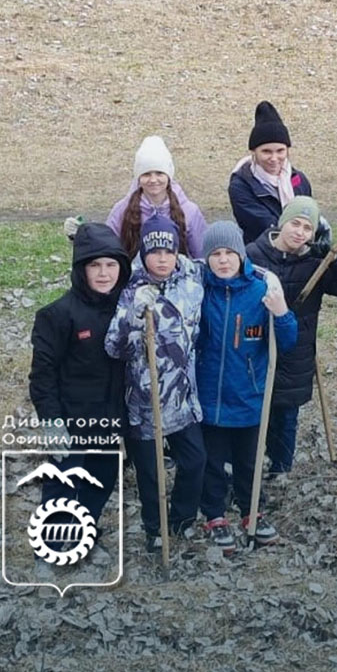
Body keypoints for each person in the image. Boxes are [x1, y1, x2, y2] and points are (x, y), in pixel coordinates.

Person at [28, 222, 131, 560]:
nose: (104, 273)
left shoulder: (127, 308)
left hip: (112, 417)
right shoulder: (57, 315)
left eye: (111, 264)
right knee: (64, 480)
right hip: (73, 418)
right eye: (94, 265)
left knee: (102, 476)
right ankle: (51, 545)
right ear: (81, 269)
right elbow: (42, 375)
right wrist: (53, 422)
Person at [195, 222, 298, 554]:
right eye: (216, 255)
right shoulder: (199, 289)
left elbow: (286, 341)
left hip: (248, 394)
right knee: (211, 461)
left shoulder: (260, 288)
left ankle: (252, 509)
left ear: (241, 255)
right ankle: (214, 515)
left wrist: (281, 312)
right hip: (209, 396)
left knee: (249, 461)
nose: (223, 261)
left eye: (229, 253)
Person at [104, 215, 206, 551]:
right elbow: (113, 347)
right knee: (151, 476)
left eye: (169, 250)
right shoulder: (130, 289)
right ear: (143, 253)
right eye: (154, 251)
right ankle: (154, 528)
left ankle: (181, 521)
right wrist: (134, 315)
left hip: (182, 397)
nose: (162, 258)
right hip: (144, 403)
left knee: (195, 461)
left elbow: (230, 262)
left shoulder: (192, 279)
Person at [246, 197, 337, 479]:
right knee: (255, 411)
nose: (299, 232)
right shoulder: (254, 254)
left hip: (297, 349)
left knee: (286, 414)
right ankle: (247, 468)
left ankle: (281, 470)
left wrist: (332, 256)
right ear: (282, 223)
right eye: (295, 224)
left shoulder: (316, 262)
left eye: (307, 229)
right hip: (256, 346)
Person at [104, 135, 208, 258]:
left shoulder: (189, 211)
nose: (153, 180)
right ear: (138, 177)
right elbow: (107, 251)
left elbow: (202, 255)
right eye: (146, 174)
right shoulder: (121, 210)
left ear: (169, 176)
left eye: (159, 173)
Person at [229, 101, 316, 245]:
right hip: (262, 254)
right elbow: (265, 227)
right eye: (266, 151)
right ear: (253, 152)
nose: (274, 159)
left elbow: (310, 216)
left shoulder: (299, 179)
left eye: (280, 151)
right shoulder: (240, 186)